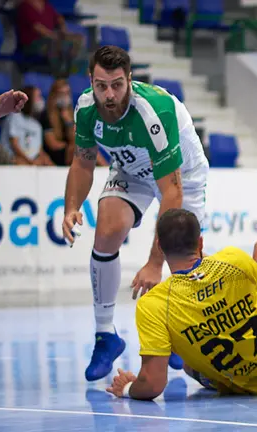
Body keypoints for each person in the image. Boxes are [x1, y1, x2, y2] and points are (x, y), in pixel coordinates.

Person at [61, 45, 210, 382]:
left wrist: (155, 262)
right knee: (108, 230)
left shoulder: (154, 113)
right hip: (131, 169)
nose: (109, 94)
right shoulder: (86, 107)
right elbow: (83, 161)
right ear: (91, 81)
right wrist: (71, 205)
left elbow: (172, 192)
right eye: (101, 86)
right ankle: (105, 334)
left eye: (117, 85)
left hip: (182, 174)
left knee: (182, 257)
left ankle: (179, 331)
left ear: (129, 79)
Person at [105, 208, 257, 398]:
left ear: (161, 249)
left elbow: (153, 384)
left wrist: (126, 388)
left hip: (243, 388)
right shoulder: (231, 259)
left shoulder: (153, 304)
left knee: (188, 364)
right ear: (200, 242)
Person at [0, 86, 54, 166]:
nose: (41, 100)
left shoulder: (37, 125)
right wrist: (30, 162)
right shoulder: (14, 117)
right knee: (19, 162)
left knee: (46, 161)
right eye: (38, 96)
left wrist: (43, 160)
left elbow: (39, 150)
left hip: (30, 161)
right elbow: (14, 145)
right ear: (28, 99)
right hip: (13, 157)